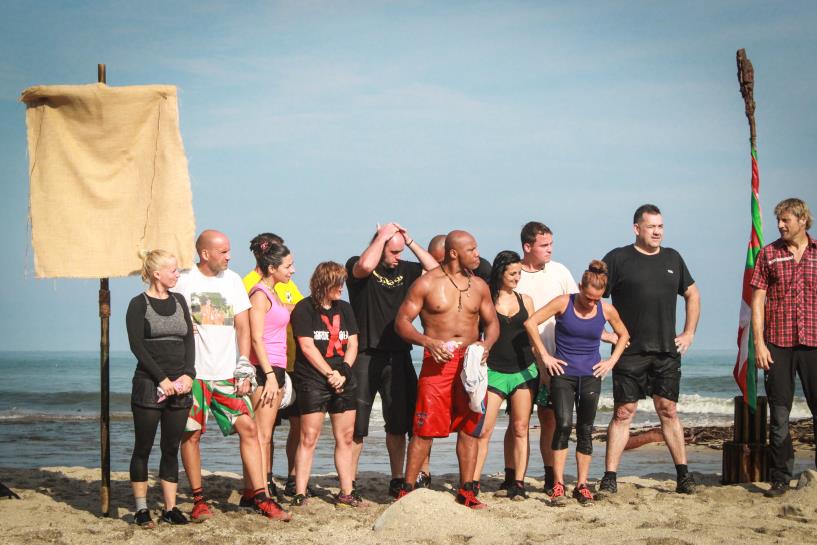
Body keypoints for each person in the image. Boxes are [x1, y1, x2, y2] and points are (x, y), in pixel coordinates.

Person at [173, 230, 290, 521]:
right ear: (205, 254)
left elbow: (243, 329)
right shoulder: (185, 280)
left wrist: (243, 367)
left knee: (249, 428)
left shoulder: (234, 281)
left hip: (226, 375)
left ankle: (260, 496)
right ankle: (199, 499)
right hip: (194, 374)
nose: (229, 256)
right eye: (223, 251)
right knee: (192, 434)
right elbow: (170, 313)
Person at [599, 204, 700, 495]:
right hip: (629, 351)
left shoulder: (673, 258)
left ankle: (683, 475)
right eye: (651, 226)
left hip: (666, 351)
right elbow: (593, 294)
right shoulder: (618, 258)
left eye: (660, 226)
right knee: (623, 412)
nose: (657, 231)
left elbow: (692, 293)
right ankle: (609, 476)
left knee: (667, 410)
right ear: (636, 228)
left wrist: (689, 332)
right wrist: (604, 334)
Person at [395, 230, 499, 509]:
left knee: (470, 427)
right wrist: (427, 341)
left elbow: (492, 323)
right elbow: (402, 322)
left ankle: (466, 491)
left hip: (471, 363)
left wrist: (486, 344)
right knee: (424, 428)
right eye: (472, 249)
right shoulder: (426, 283)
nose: (477, 254)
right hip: (437, 362)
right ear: (454, 253)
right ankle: (406, 489)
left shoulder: (479, 286)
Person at [525, 260, 630, 506]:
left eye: (596, 299)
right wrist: (545, 356)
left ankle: (582, 484)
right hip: (563, 374)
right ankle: (559, 483)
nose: (591, 302)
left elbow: (624, 335)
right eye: (588, 297)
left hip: (591, 375)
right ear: (581, 287)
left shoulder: (606, 310)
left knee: (585, 429)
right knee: (562, 425)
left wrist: (611, 362)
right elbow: (530, 323)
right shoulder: (565, 302)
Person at [347, 222, 438, 498]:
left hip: (399, 353)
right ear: (380, 244)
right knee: (357, 426)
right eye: (393, 251)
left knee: (398, 424)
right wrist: (382, 236)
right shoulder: (359, 264)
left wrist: (409, 241)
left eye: (401, 251)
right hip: (365, 353)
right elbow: (363, 266)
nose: (398, 257)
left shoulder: (408, 269)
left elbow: (437, 272)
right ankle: (348, 482)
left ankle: (397, 478)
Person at [751, 198, 817, 497]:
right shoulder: (768, 254)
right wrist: (759, 343)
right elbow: (757, 301)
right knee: (779, 416)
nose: (779, 225)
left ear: (802, 220)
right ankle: (780, 478)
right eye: (778, 220)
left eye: (785, 220)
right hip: (777, 343)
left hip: (814, 344)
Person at [126, 250, 195, 527]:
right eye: (173, 270)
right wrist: (161, 379)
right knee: (143, 447)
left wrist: (189, 374)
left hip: (181, 386)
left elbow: (189, 339)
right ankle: (142, 509)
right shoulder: (138, 304)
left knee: (171, 448)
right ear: (157, 273)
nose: (177, 274)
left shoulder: (179, 301)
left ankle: (170, 508)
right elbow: (137, 346)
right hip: (149, 385)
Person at [510, 221, 578, 495]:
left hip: (555, 357)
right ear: (528, 247)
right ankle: (512, 476)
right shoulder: (516, 274)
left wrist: (605, 335)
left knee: (549, 418)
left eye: (551, 244)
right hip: (522, 358)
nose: (550, 249)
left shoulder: (559, 271)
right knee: (519, 421)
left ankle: (551, 475)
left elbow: (576, 307)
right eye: (544, 245)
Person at [290, 261, 363, 507]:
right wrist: (329, 373)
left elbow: (353, 343)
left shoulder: (345, 308)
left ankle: (346, 492)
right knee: (309, 436)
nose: (341, 289)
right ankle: (300, 492)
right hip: (313, 379)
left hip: (343, 377)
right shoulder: (303, 309)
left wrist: (343, 371)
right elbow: (307, 346)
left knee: (346, 436)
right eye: (337, 284)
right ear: (324, 283)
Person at [243, 233, 308, 498]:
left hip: (279, 367)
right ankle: (260, 491)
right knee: (261, 435)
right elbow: (256, 338)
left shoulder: (273, 291)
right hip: (265, 369)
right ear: (272, 268)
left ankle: (258, 490)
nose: (293, 270)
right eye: (288, 266)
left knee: (265, 434)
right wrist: (269, 375)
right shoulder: (258, 292)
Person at [472, 251, 537, 501]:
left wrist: (544, 369)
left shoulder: (526, 300)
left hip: (523, 371)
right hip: (494, 371)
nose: (517, 277)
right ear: (500, 273)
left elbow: (533, 340)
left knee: (520, 428)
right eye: (513, 273)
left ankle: (518, 484)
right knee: (484, 430)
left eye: (519, 273)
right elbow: (476, 333)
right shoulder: (486, 301)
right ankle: (473, 481)